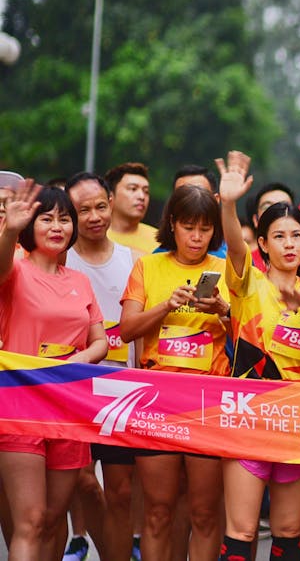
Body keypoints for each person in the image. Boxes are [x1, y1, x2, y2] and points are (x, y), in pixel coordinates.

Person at [215, 152, 300, 561]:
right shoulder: (247, 282)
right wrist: (228, 203)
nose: (289, 244)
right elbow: (234, 246)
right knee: (240, 534)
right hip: (248, 419)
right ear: (263, 244)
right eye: (279, 236)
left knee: (289, 536)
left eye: (296, 236)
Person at [119, 184, 231, 561]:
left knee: (203, 511)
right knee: (157, 511)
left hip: (209, 402)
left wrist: (223, 311)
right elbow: (127, 329)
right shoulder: (148, 265)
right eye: (188, 227)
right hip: (155, 401)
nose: (197, 237)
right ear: (172, 225)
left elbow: (254, 336)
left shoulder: (226, 270)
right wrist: (166, 305)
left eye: (205, 228)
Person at [0, 180, 107, 561]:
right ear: (30, 226)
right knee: (28, 521)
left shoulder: (81, 281)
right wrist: (9, 229)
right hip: (18, 407)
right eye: (46, 218)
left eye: (65, 219)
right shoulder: (15, 268)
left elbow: (101, 340)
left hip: (66, 408)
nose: (57, 226)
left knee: (50, 519)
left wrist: (79, 361)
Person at [65, 172, 141, 561]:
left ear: (111, 204)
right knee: (79, 480)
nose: (94, 216)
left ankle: (119, 554)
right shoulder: (61, 261)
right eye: (82, 210)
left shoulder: (135, 262)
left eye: (99, 206)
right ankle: (107, 548)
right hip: (74, 391)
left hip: (122, 391)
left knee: (122, 489)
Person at [103, 162, 157, 255]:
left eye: (146, 191)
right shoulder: (95, 236)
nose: (142, 196)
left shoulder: (159, 240)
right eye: (133, 189)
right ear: (110, 196)